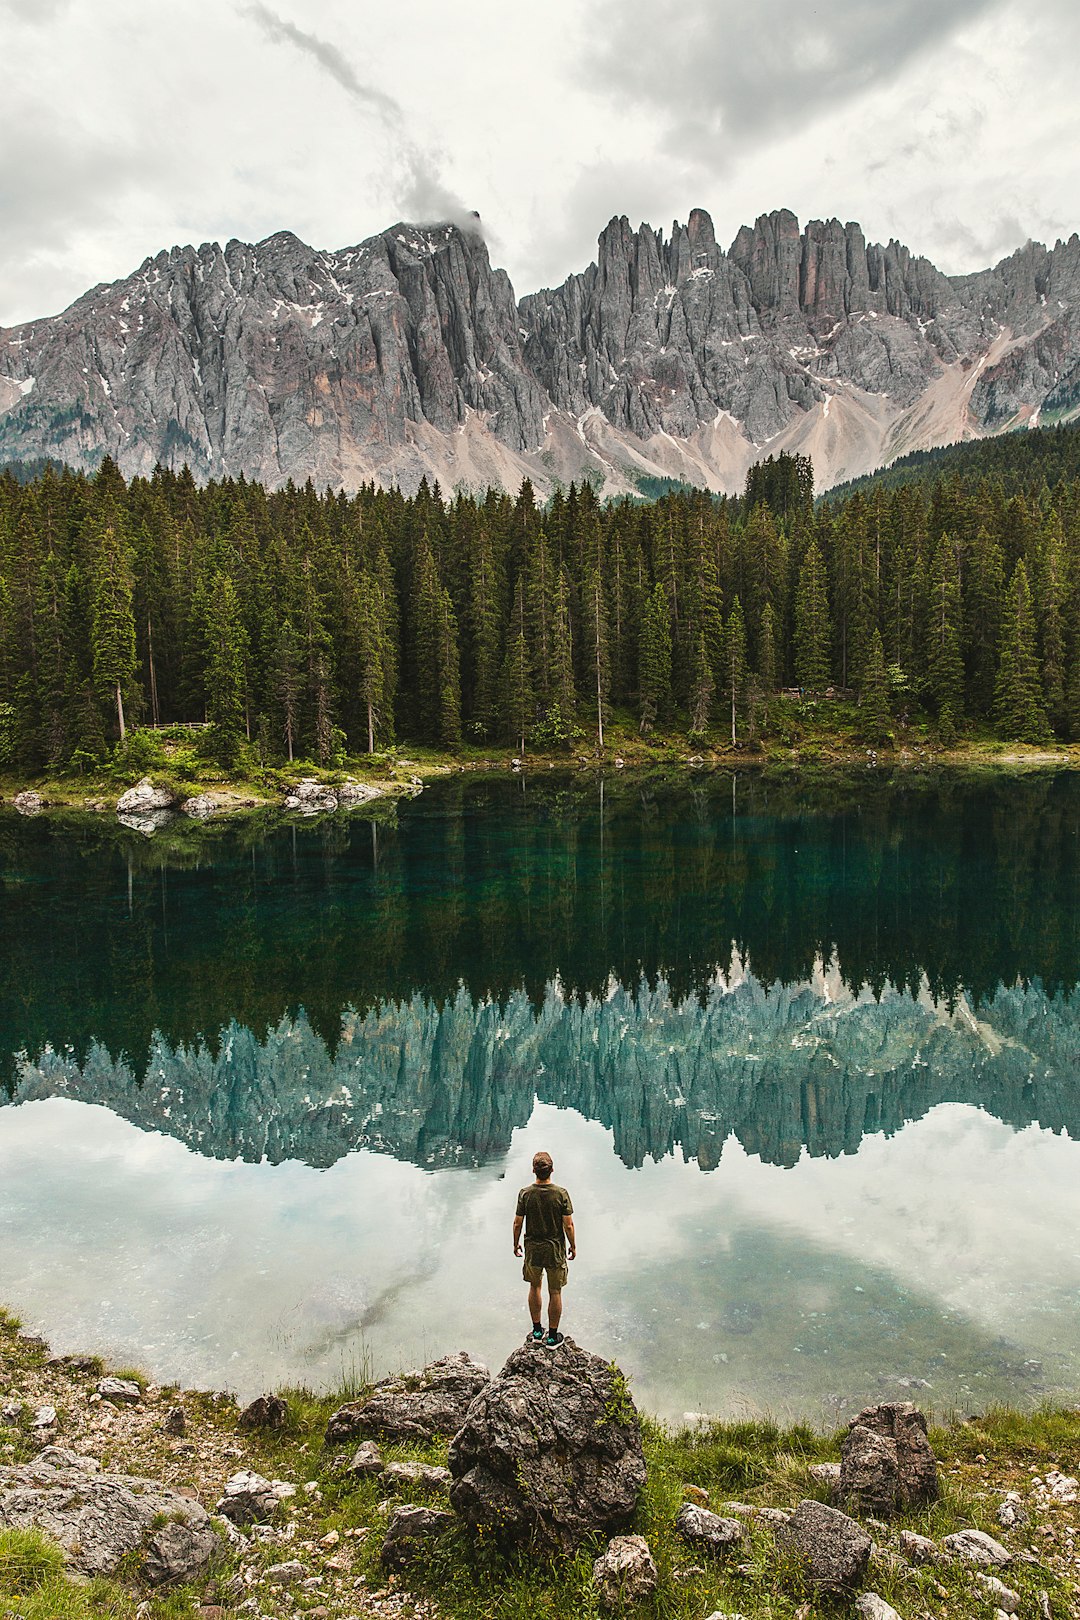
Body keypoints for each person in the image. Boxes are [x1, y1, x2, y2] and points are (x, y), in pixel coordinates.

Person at [513, 1150, 575, 1348]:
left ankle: (537, 1330)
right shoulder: (561, 1194)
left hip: (532, 1248)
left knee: (535, 1286)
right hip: (554, 1249)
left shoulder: (525, 1194)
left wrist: (515, 1244)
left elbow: (517, 1223)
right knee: (555, 1291)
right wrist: (573, 1245)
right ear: (552, 1170)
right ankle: (552, 1337)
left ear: (533, 1170)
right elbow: (568, 1225)